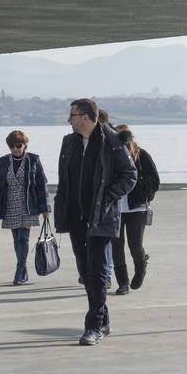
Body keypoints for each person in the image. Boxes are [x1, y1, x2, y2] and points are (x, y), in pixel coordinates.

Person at [54, 98, 136, 346]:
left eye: (73, 116)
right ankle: (104, 320)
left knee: (98, 272)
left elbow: (129, 175)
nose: (69, 120)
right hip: (76, 218)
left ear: (87, 117)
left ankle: (93, 326)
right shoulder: (69, 142)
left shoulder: (112, 141)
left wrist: (109, 198)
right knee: (86, 273)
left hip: (101, 217)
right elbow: (65, 180)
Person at [0, 130, 50, 285]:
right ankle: (23, 269)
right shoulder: (3, 161)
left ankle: (20, 269)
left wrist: (45, 208)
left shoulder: (33, 159)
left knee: (23, 238)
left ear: (24, 144)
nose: (15, 149)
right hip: (9, 204)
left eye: (18, 145)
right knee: (16, 238)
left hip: (28, 203)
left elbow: (42, 184)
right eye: (12, 146)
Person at [112, 125, 160, 295]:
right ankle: (123, 283)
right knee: (116, 247)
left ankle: (141, 268)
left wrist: (138, 190)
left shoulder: (142, 155)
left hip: (137, 208)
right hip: (115, 208)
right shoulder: (111, 155)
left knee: (135, 245)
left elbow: (154, 181)